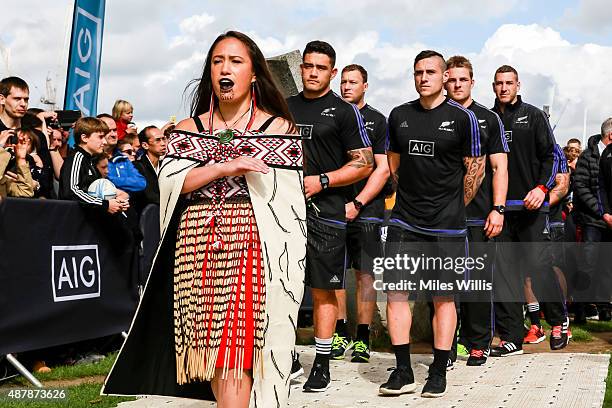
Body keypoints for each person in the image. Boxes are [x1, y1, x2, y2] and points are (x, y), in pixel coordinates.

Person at [103, 31, 306, 408]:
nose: (224, 69)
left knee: (234, 355)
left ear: (254, 74)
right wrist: (223, 167)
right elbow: (171, 184)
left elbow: (288, 207)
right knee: (212, 358)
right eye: (217, 61)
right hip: (195, 251)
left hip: (251, 248)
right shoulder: (187, 129)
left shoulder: (278, 129)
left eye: (235, 61)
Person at [380, 50, 484, 398]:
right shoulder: (399, 115)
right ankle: (403, 370)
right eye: (418, 72)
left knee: (444, 298)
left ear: (444, 77)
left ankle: (438, 369)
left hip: (448, 227)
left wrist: (452, 206)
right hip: (404, 221)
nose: (423, 78)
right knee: (395, 294)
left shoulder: (462, 118)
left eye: (430, 72)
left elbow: (474, 169)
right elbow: (394, 164)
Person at [287, 40, 373, 392]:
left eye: (320, 68)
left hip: (328, 214)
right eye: (308, 66)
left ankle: (321, 364)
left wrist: (323, 181)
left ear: (332, 72)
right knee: (282, 288)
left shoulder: (343, 111)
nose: (312, 73)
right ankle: (286, 356)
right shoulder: (284, 107)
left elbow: (364, 163)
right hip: (284, 211)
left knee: (323, 290)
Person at [490, 65, 569, 357]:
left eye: (509, 83)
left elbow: (551, 156)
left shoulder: (533, 115)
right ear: (493, 86)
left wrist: (541, 188)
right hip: (500, 210)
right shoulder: (488, 118)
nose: (504, 88)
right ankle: (512, 337)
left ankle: (559, 321)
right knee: (505, 274)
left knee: (537, 268)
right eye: (499, 83)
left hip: (532, 207)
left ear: (518, 84)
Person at [444, 55, 508, 366]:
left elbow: (499, 167)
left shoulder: (488, 119)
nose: (456, 84)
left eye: (462, 79)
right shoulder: (433, 115)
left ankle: (477, 343)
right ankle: (447, 342)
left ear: (472, 82)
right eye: (452, 79)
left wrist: (497, 209)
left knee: (477, 283)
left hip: (480, 215)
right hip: (441, 217)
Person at [330, 63, 388, 364]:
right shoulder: (334, 117)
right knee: (334, 274)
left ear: (365, 85)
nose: (346, 87)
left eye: (353, 82)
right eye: (344, 82)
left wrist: (359, 203)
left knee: (366, 275)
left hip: (368, 211)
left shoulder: (378, 121)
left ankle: (363, 339)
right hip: (334, 209)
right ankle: (339, 334)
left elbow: (384, 167)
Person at [572, 118, 612, 320]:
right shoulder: (588, 156)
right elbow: (581, 187)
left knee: (606, 264)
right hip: (591, 220)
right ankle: (580, 307)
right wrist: (602, 211)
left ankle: (605, 306)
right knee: (587, 263)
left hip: (610, 220)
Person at [58, 117, 128, 214]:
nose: (104, 142)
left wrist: (116, 201)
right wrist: (105, 204)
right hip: (74, 222)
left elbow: (98, 191)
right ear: (84, 138)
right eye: (100, 137)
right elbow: (72, 191)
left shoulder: (90, 160)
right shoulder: (77, 158)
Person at [133, 125, 167, 213]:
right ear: (145, 145)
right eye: (158, 140)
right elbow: (149, 196)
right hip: (145, 219)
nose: (163, 143)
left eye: (164, 139)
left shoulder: (166, 166)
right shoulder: (136, 168)